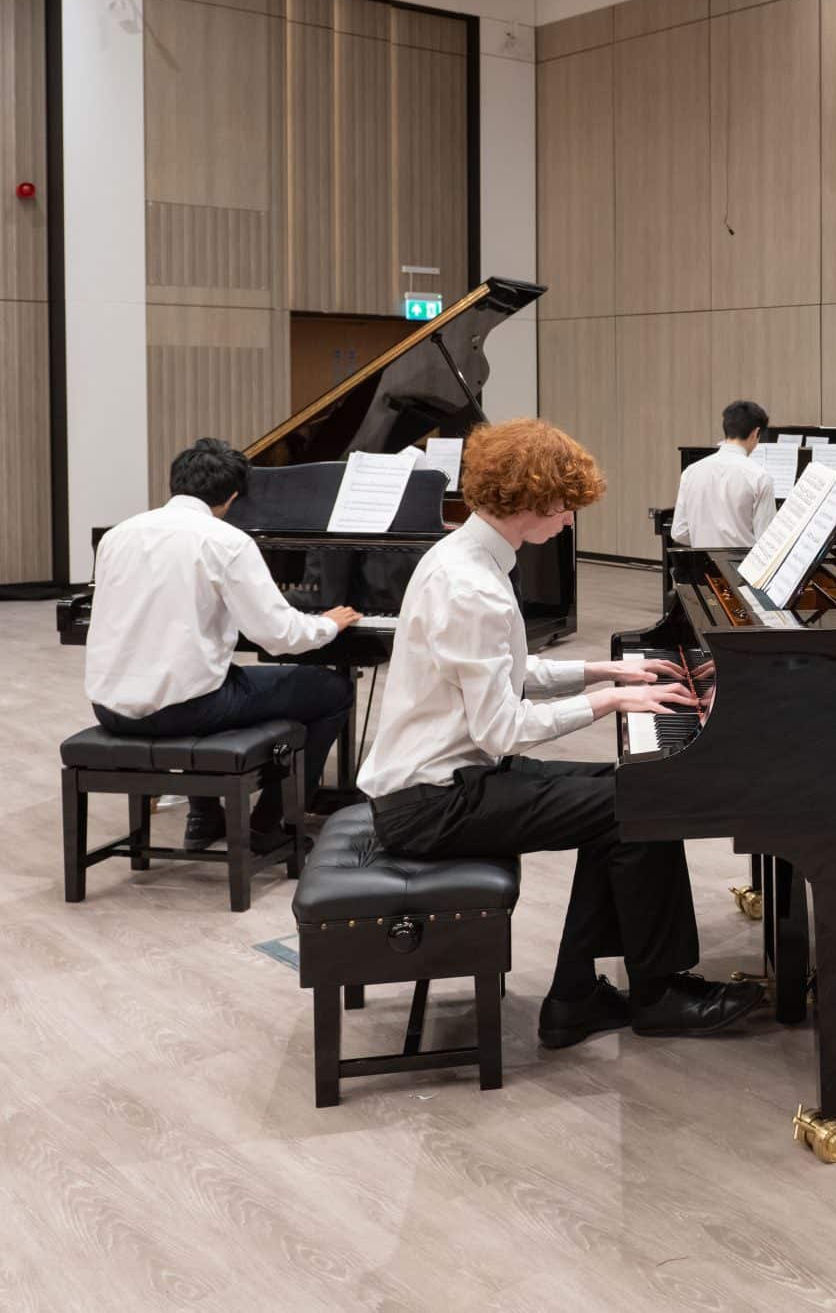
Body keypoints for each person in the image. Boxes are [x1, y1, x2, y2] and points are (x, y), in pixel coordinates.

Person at [357, 418, 762, 1048]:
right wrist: (608, 700)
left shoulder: (465, 559)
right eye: (567, 507)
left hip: (444, 783)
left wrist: (605, 669)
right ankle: (658, 994)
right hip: (435, 802)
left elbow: (509, 673)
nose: (570, 521)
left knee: (627, 794)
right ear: (537, 501)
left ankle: (575, 998)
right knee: (641, 801)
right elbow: (501, 730)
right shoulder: (472, 587)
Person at [86, 438, 358, 852]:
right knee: (332, 690)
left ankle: (204, 817)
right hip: (183, 711)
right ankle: (271, 825)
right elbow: (280, 636)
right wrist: (326, 624)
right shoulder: (226, 542)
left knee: (206, 670)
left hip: (109, 708)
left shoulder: (118, 535)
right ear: (233, 496)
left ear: (175, 483)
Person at [670, 400, 778, 548]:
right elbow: (766, 542)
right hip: (742, 568)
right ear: (756, 433)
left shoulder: (690, 472)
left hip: (705, 568)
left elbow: (679, 532)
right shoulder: (759, 477)